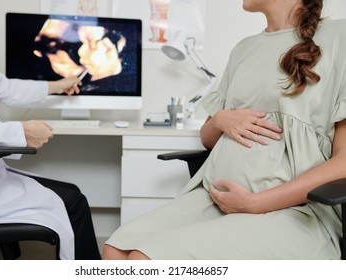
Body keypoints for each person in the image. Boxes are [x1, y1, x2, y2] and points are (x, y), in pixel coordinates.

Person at [103, 0, 346, 260]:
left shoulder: (338, 37)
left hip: (292, 211)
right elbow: (208, 138)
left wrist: (255, 203)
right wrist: (219, 119)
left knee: (144, 260)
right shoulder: (244, 49)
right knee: (114, 251)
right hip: (214, 200)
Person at [0, 0, 101, 260]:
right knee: (74, 203)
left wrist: (55, 86)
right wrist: (19, 132)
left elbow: (0, 86)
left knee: (74, 193)